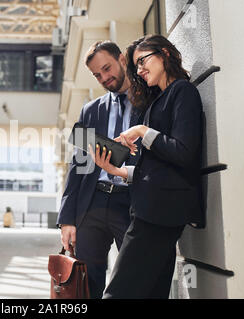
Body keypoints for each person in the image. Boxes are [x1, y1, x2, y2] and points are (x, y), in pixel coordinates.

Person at [89, 34, 204, 298]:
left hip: (159, 213)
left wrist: (142, 131)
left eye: (142, 61)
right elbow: (157, 168)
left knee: (117, 293)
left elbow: (184, 152)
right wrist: (120, 171)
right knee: (152, 293)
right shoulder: (158, 101)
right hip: (152, 210)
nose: (139, 70)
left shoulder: (183, 91)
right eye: (136, 66)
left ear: (164, 53)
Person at [57, 41, 144, 299]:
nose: (105, 77)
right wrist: (67, 218)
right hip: (91, 203)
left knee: (134, 278)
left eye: (107, 68)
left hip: (131, 201)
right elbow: (78, 166)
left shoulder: (149, 101)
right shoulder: (90, 110)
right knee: (86, 283)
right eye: (97, 75)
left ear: (121, 59)